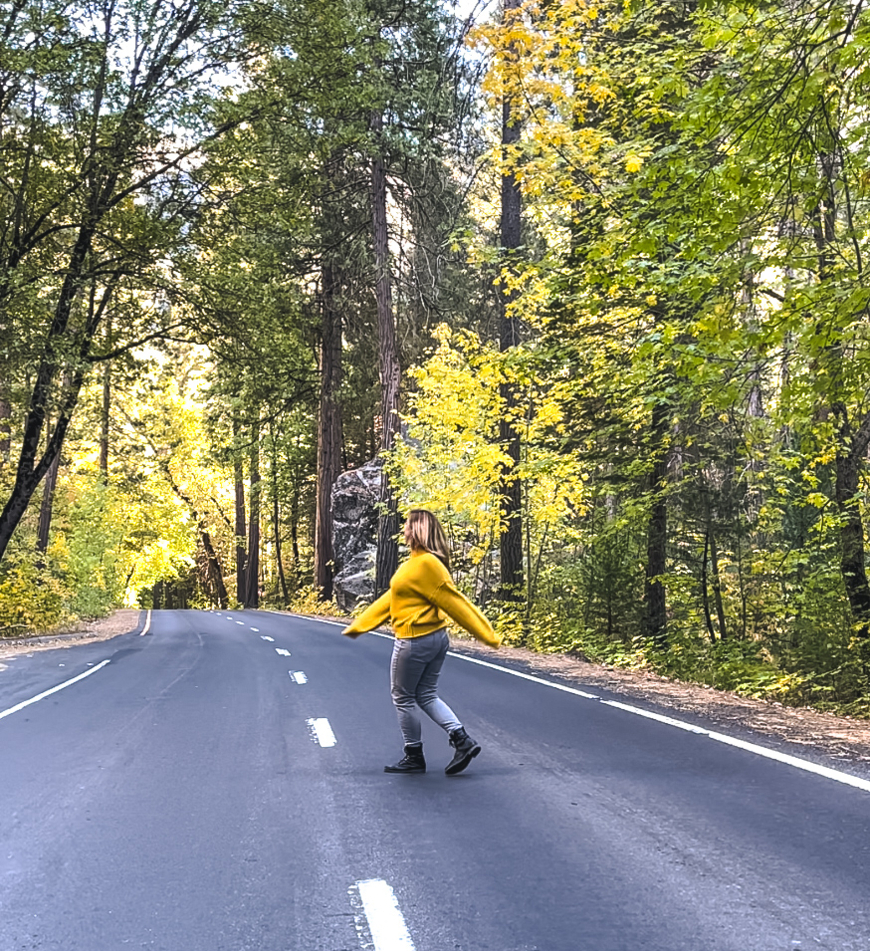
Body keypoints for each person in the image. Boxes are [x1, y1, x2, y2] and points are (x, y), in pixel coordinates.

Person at [341, 509, 501, 775]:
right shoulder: (415, 565)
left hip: (415, 640)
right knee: (425, 694)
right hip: (435, 638)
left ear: (417, 530)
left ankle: (414, 755)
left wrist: (486, 634)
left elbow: (454, 602)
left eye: (407, 525)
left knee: (403, 697)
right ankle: (462, 740)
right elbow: (392, 599)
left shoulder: (426, 564)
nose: (403, 529)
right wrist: (362, 624)